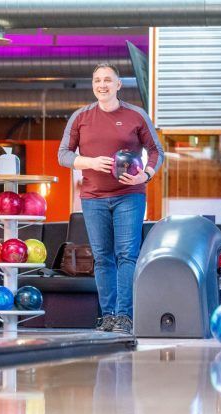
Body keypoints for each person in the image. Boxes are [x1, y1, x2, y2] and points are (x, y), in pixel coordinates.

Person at [58, 63, 164, 335]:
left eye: (108, 80)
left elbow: (156, 151)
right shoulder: (81, 117)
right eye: (97, 80)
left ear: (118, 84)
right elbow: (63, 155)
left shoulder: (135, 115)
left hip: (129, 196)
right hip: (93, 198)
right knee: (103, 257)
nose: (102, 85)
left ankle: (125, 316)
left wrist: (146, 175)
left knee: (127, 255)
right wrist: (90, 162)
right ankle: (108, 316)